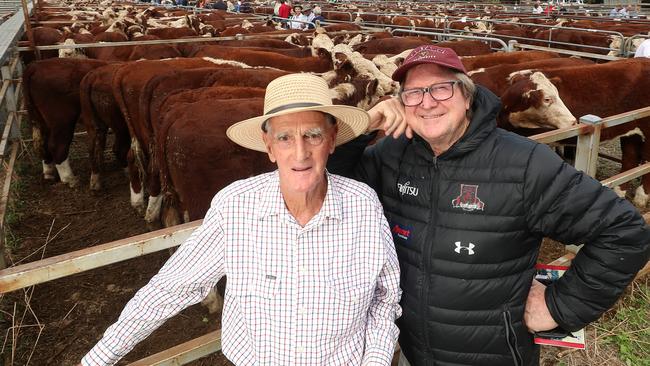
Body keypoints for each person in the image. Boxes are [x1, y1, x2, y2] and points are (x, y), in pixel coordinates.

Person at [328, 44, 650, 366]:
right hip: (413, 350)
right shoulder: (392, 154)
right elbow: (334, 187)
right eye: (413, 93)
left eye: (441, 88)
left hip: (494, 354)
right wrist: (365, 126)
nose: (427, 102)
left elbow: (624, 231)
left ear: (467, 97)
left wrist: (558, 306)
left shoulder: (523, 164)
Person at [79, 73, 402, 366]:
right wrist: (98, 359)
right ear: (269, 147)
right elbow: (169, 289)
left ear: (331, 141)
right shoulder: (236, 207)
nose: (300, 153)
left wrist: (374, 359)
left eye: (313, 136)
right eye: (285, 138)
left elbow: (384, 298)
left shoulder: (363, 205)